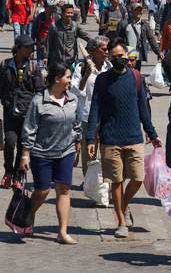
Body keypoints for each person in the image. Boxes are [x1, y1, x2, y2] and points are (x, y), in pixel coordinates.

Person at [86, 40, 162, 238]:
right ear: (110, 58)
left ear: (127, 56)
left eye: (122, 56)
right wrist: (90, 140)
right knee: (116, 181)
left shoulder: (136, 78)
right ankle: (121, 220)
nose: (119, 59)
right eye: (115, 57)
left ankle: (123, 205)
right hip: (110, 139)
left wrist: (152, 134)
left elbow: (143, 109)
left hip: (134, 137)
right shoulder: (103, 80)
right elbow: (95, 110)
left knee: (137, 178)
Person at [19, 62, 79, 244]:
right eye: (68, 77)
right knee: (43, 191)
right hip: (42, 153)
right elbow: (29, 128)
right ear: (57, 79)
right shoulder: (39, 101)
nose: (70, 80)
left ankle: (62, 232)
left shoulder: (72, 99)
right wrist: (25, 154)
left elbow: (76, 123)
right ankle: (26, 217)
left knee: (64, 189)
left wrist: (77, 141)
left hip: (65, 151)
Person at [0, 35, 45, 188]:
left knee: (22, 144)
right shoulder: (5, 65)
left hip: (27, 113)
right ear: (18, 48)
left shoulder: (34, 67)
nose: (30, 50)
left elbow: (40, 90)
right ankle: (8, 171)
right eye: (27, 47)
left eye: (31, 47)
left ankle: (19, 176)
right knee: (10, 142)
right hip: (10, 110)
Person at [70, 36, 111, 175]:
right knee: (89, 150)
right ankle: (89, 180)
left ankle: (104, 179)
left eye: (107, 49)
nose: (107, 52)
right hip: (87, 115)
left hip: (106, 115)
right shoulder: (81, 67)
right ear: (94, 50)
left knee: (107, 150)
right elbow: (75, 91)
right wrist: (86, 74)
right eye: (104, 49)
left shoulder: (109, 67)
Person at [117, 2, 161, 70]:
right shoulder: (124, 23)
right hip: (126, 54)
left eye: (140, 10)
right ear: (131, 11)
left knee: (136, 73)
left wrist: (158, 52)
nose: (138, 12)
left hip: (138, 55)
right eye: (136, 10)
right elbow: (118, 39)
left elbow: (151, 39)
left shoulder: (144, 25)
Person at [47, 3, 90, 68]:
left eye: (71, 13)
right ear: (62, 13)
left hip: (71, 61)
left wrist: (96, 43)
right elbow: (48, 43)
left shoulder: (75, 26)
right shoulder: (54, 26)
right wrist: (46, 56)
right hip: (57, 60)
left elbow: (87, 37)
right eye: (67, 13)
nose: (70, 15)